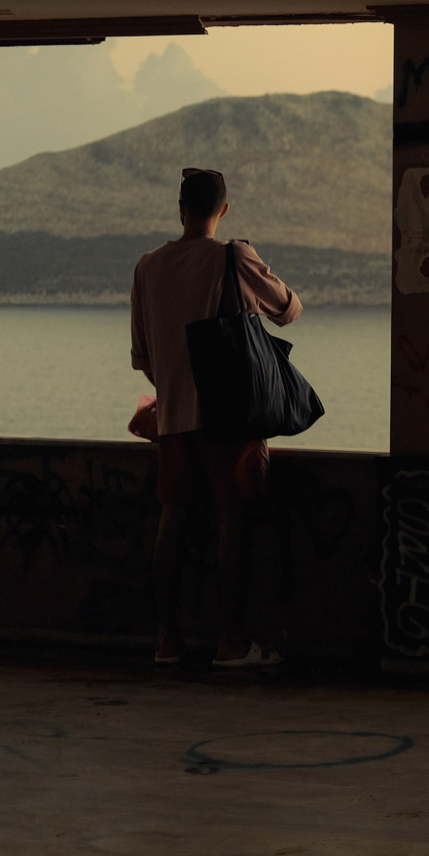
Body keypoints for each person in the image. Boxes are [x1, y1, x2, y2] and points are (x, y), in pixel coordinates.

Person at [131, 168, 302, 667]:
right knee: (234, 519)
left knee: (173, 520)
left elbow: (142, 356)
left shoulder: (148, 266)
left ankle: (167, 641)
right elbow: (289, 310)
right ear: (223, 210)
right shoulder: (234, 255)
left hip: (173, 415)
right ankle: (231, 642)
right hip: (229, 414)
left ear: (180, 208)